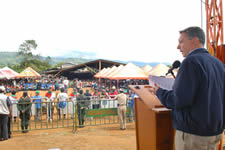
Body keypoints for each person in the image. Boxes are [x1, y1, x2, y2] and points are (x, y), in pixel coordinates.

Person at [149, 26, 225, 150]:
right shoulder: (219, 64)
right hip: (214, 132)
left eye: (181, 42)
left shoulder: (190, 62)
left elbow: (179, 99)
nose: (178, 47)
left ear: (194, 40)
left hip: (193, 134)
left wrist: (159, 92)